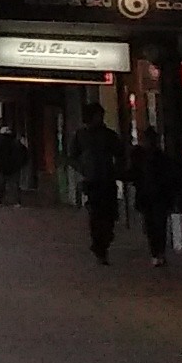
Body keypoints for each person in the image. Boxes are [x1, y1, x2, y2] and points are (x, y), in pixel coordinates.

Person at [73, 105, 129, 263]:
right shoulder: (81, 135)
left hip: (107, 179)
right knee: (96, 215)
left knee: (109, 215)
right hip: (92, 181)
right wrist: (83, 168)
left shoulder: (108, 135)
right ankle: (99, 246)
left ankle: (103, 242)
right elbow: (72, 156)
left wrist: (118, 170)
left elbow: (120, 153)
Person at [133, 123, 182, 265]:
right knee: (153, 226)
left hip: (158, 197)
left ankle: (158, 253)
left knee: (157, 225)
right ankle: (157, 252)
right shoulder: (143, 157)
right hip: (150, 197)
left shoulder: (158, 158)